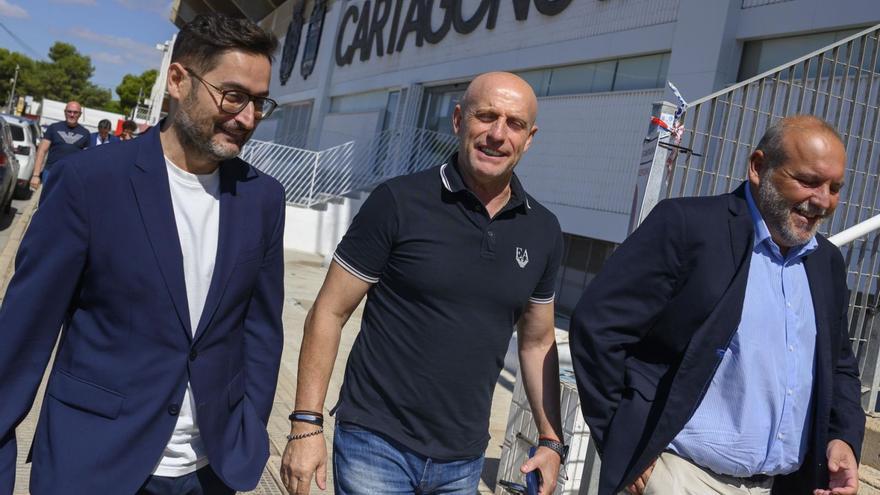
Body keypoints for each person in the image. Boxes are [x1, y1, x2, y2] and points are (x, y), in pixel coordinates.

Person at [0, 13, 285, 494]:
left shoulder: (263, 199)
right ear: (178, 80)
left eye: (259, 102)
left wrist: (250, 429)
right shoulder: (90, 183)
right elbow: (23, 338)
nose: (248, 118)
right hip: (93, 464)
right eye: (233, 96)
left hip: (210, 471)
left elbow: (260, 330)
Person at [279, 72, 566, 495]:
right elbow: (330, 310)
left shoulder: (543, 230)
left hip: (464, 459)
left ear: (529, 138)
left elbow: (537, 342)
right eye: (485, 116)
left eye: (514, 123)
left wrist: (551, 439)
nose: (497, 134)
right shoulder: (398, 201)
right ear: (458, 120)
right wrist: (306, 423)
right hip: (376, 443)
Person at [570, 115, 865, 495]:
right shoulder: (687, 227)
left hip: (779, 485)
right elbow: (598, 328)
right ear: (758, 167)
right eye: (808, 181)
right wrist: (625, 441)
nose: (822, 201)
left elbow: (840, 366)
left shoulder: (825, 262)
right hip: (681, 477)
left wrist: (843, 439)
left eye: (834, 187)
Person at [31, 100, 89, 189]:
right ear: (65, 112)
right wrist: (35, 175)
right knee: (47, 201)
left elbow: (86, 160)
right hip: (51, 172)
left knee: (65, 203)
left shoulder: (85, 133)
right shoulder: (53, 128)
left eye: (75, 112)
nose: (72, 114)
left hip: (72, 177)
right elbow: (41, 151)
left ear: (80, 114)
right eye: (69, 111)